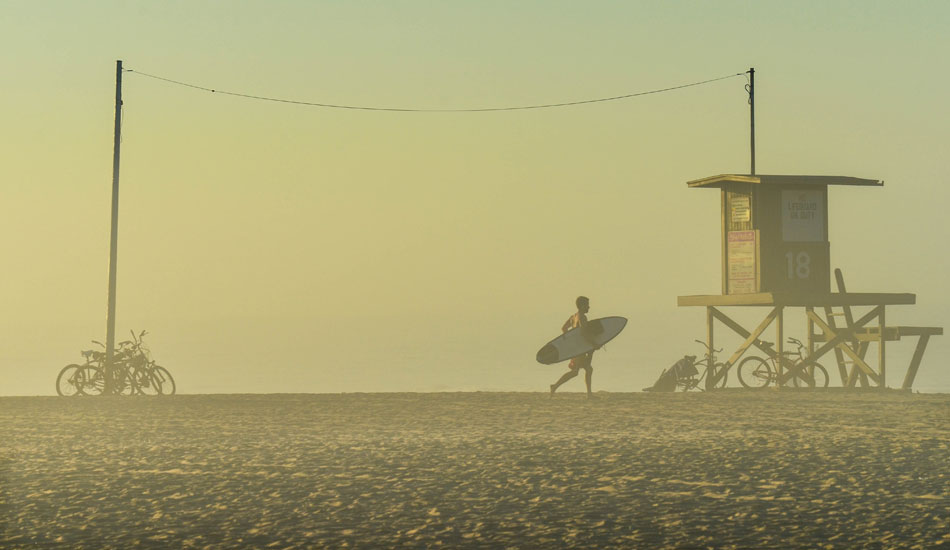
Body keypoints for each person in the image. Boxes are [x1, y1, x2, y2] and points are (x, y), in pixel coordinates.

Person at [550, 296, 598, 398]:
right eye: (587, 305)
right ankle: (554, 386)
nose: (589, 307)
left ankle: (589, 394)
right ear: (582, 306)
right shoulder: (582, 317)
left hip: (577, 348)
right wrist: (594, 343)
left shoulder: (573, 317)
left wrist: (570, 340)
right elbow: (584, 333)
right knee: (576, 371)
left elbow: (564, 328)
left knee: (588, 369)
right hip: (579, 349)